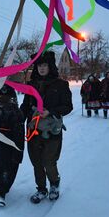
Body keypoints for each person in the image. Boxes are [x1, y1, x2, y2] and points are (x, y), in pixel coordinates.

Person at [20, 51, 73, 204]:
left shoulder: (61, 84)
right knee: (36, 162)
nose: (41, 68)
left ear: (50, 66)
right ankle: (41, 189)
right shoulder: (31, 85)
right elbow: (25, 105)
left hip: (52, 130)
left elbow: (68, 106)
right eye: (38, 66)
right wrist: (18, 118)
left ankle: (54, 184)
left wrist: (51, 111)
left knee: (49, 161)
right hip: (33, 129)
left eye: (44, 65)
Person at [0, 85, 24, 207]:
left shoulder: (16, 113)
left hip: (8, 146)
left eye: (6, 97)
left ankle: (3, 192)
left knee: (6, 169)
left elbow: (19, 134)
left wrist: (18, 152)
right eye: (0, 97)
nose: (3, 100)